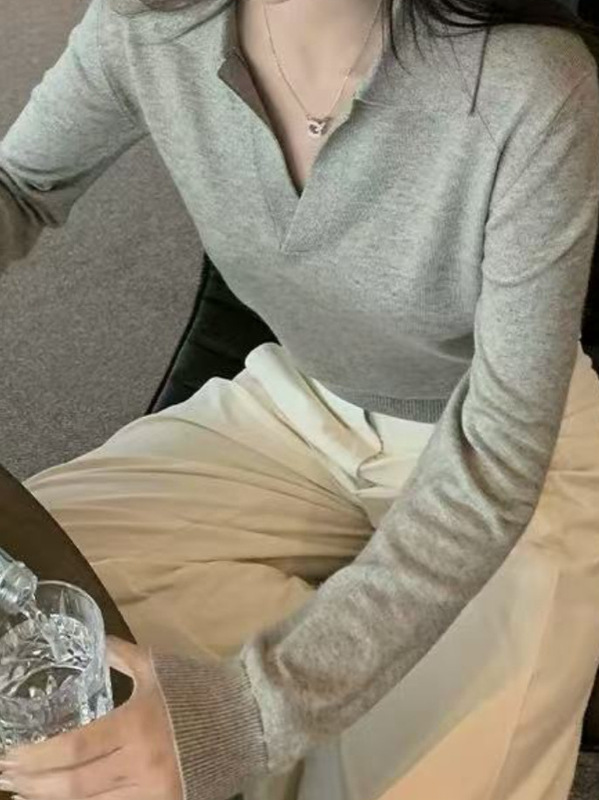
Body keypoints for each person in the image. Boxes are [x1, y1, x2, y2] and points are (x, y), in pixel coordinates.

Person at [1, 0, 599, 798]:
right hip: (296, 406)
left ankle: (344, 667)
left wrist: (248, 712)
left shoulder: (530, 86)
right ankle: (348, 652)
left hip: (506, 450)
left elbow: (499, 453)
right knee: (35, 635)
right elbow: (18, 186)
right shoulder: (144, 26)